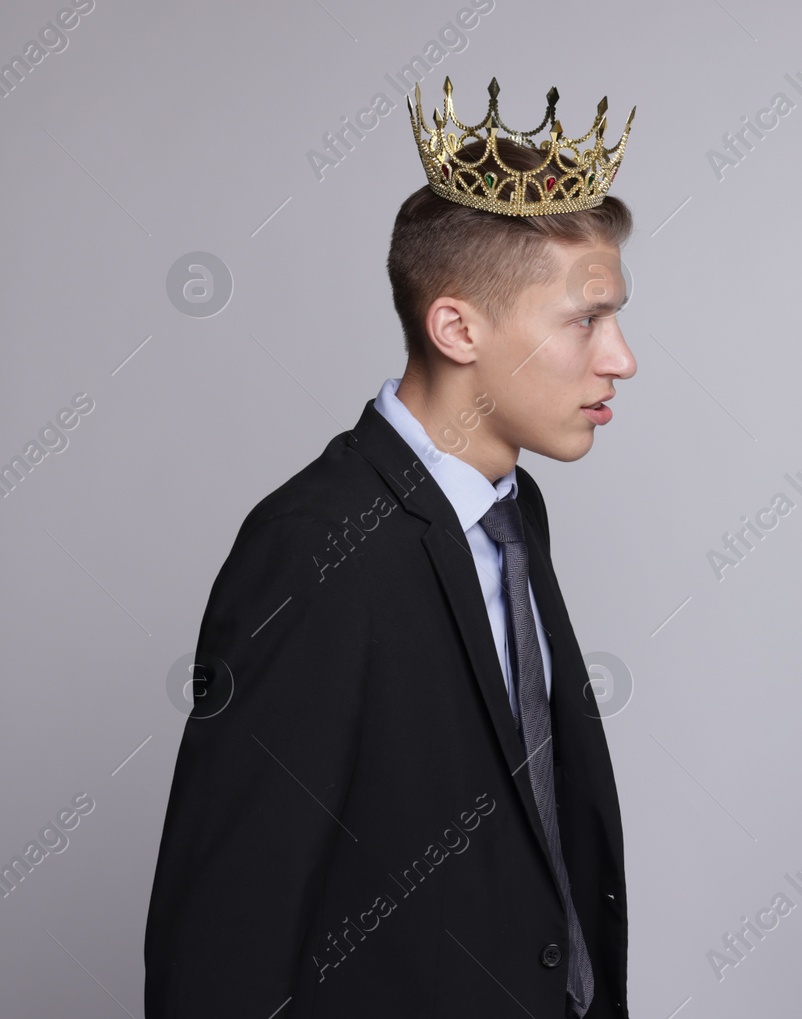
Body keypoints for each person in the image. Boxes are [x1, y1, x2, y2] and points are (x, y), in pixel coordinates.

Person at [144, 78, 638, 1017]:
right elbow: (223, 942)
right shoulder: (313, 550)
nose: (621, 357)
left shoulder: (514, 509)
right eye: (586, 319)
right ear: (456, 327)